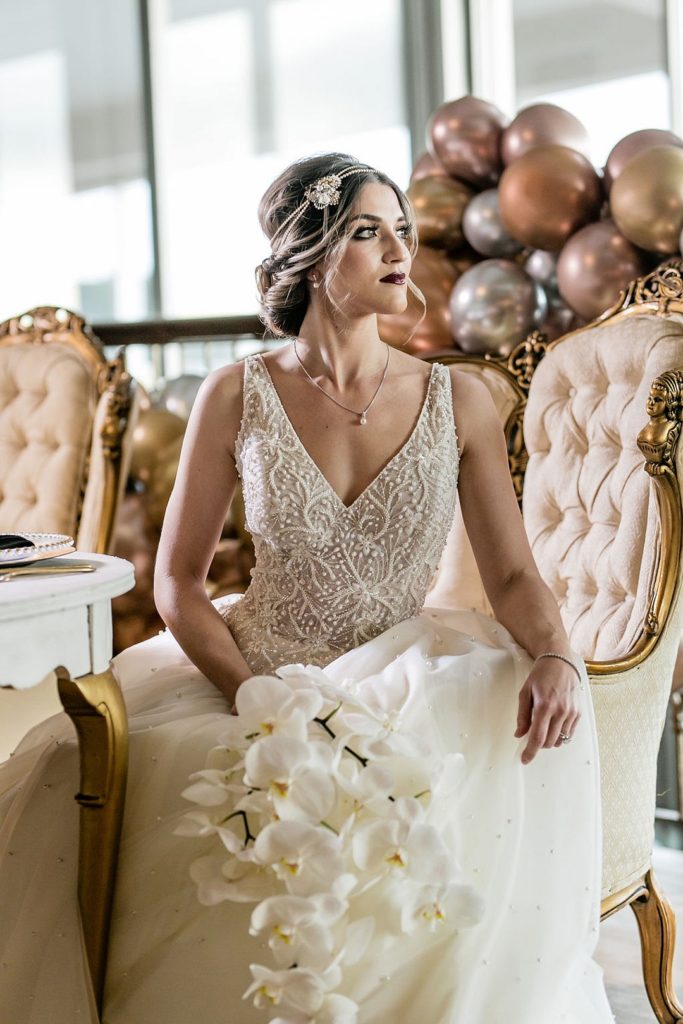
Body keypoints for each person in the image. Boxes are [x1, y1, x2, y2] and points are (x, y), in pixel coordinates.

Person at [0, 153, 614, 1024]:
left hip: (409, 666)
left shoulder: (458, 401)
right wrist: (251, 692)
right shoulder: (235, 394)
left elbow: (513, 574)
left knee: (453, 766)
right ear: (313, 257)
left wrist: (553, 651)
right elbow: (178, 583)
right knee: (78, 767)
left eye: (401, 228)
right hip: (258, 669)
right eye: (368, 231)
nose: (399, 248)